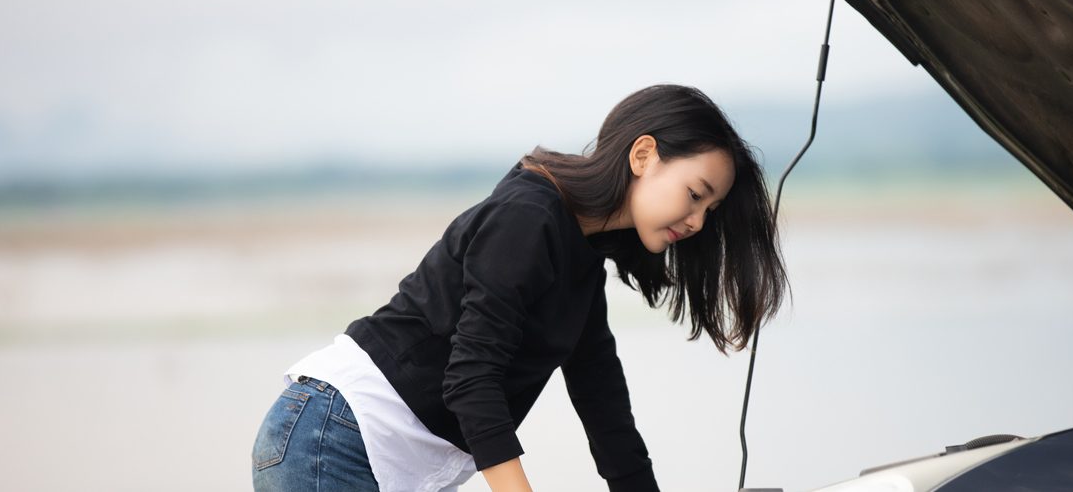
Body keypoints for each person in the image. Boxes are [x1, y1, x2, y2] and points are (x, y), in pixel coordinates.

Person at [250, 84, 790, 492]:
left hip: (373, 452)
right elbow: (471, 378)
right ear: (643, 155)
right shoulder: (528, 218)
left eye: (709, 210)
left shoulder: (581, 259)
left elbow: (603, 405)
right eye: (695, 194)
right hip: (333, 435)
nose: (697, 221)